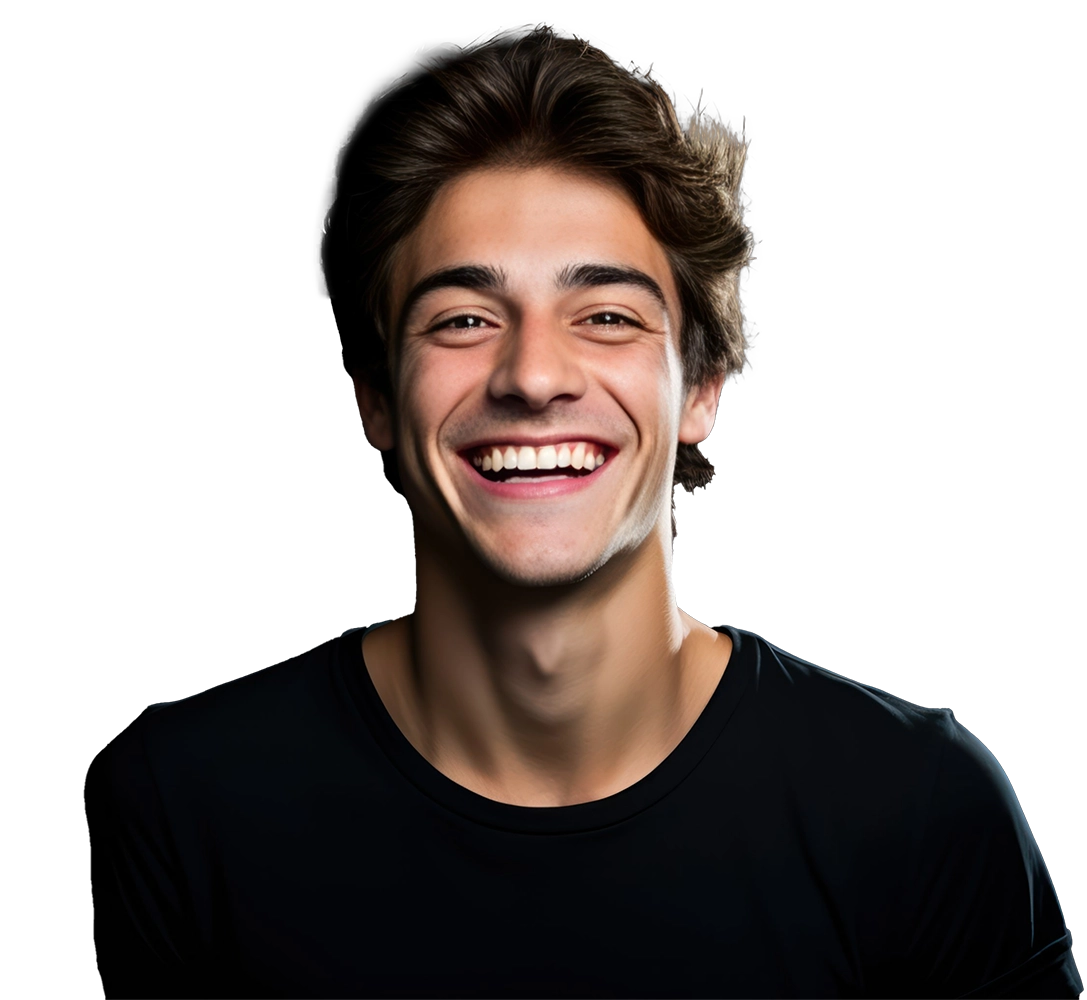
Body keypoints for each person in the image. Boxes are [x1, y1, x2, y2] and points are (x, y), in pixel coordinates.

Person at [84, 21, 1082, 998]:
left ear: (700, 387)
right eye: (463, 319)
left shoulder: (918, 812)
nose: (531, 373)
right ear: (377, 396)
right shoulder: (187, 805)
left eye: (605, 316)